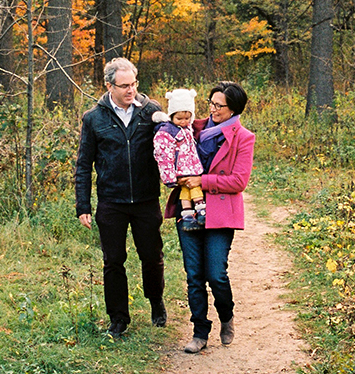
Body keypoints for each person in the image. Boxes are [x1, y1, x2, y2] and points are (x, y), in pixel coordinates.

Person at [75, 57, 167, 340]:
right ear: (109, 86)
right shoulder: (94, 118)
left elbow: (171, 145)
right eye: (124, 86)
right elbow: (83, 164)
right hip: (111, 202)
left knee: (151, 257)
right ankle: (118, 318)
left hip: (145, 199)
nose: (131, 90)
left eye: (134, 84)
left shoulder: (151, 112)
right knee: (113, 260)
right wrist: (83, 205)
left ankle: (156, 303)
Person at [164, 80, 255, 354]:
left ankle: (226, 316)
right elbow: (165, 134)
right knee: (194, 275)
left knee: (216, 274)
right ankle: (199, 332)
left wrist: (202, 181)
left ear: (234, 109)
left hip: (220, 212)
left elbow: (239, 181)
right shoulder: (191, 127)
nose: (213, 110)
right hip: (188, 208)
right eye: (211, 103)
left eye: (219, 105)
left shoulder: (243, 137)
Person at [152, 88, 205, 230]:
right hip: (181, 169)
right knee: (194, 186)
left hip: (191, 166)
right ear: (171, 116)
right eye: (179, 119)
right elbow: (163, 156)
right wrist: (169, 178)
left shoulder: (187, 129)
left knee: (186, 191)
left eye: (187, 118)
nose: (183, 122)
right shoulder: (167, 132)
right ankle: (201, 209)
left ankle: (187, 215)